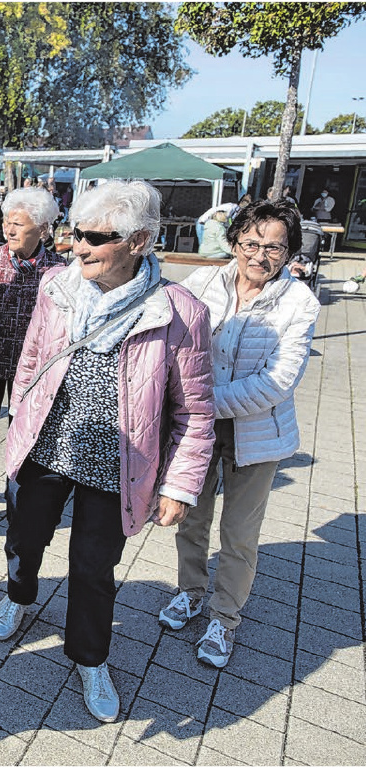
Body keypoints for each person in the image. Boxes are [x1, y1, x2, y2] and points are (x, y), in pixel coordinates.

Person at [0, 180, 215, 724]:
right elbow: (32, 359)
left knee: (94, 567)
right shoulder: (56, 286)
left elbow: (194, 411)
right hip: (45, 445)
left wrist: (178, 485)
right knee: (23, 536)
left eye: (97, 237)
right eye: (75, 233)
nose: (80, 246)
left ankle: (90, 656)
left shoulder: (179, 311)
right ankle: (20, 596)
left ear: (138, 241)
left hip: (118, 463)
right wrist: (21, 412)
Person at [161, 200, 320, 669]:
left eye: (274, 247)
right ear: (234, 242)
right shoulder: (203, 283)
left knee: (240, 533)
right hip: (197, 431)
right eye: (251, 243)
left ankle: (224, 617)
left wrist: (199, 401)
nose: (260, 255)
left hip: (257, 432)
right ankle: (190, 592)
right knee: (190, 517)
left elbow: (277, 382)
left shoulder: (299, 303)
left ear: (289, 252)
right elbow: (174, 339)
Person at [0, 188, 66, 513]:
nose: (9, 229)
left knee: (24, 433)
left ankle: (18, 492)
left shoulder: (59, 269)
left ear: (43, 229)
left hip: (32, 370)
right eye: (8, 222)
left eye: (19, 225)